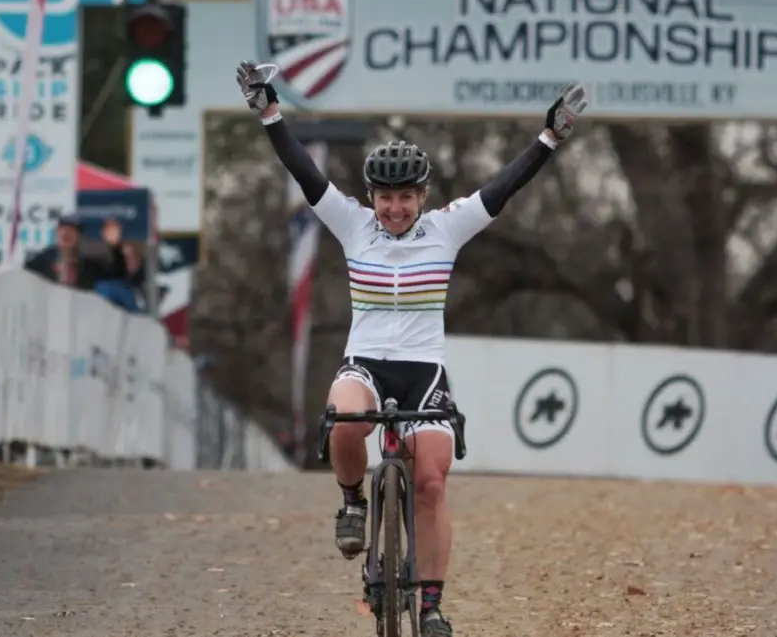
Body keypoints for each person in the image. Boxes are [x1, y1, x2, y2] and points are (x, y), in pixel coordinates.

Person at [235, 60, 588, 637]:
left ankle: (430, 604)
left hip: (425, 373)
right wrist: (270, 112)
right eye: (385, 198)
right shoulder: (353, 226)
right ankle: (351, 502)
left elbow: (505, 185)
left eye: (405, 197)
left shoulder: (446, 228)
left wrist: (550, 136)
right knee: (346, 417)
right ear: (371, 197)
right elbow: (302, 170)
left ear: (422, 196)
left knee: (430, 482)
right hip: (367, 364)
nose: (395, 208)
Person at [25, 216, 127, 290]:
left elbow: (118, 273)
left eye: (71, 231)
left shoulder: (89, 266)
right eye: (62, 230)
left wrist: (115, 247)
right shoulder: (42, 261)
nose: (65, 234)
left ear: (79, 237)